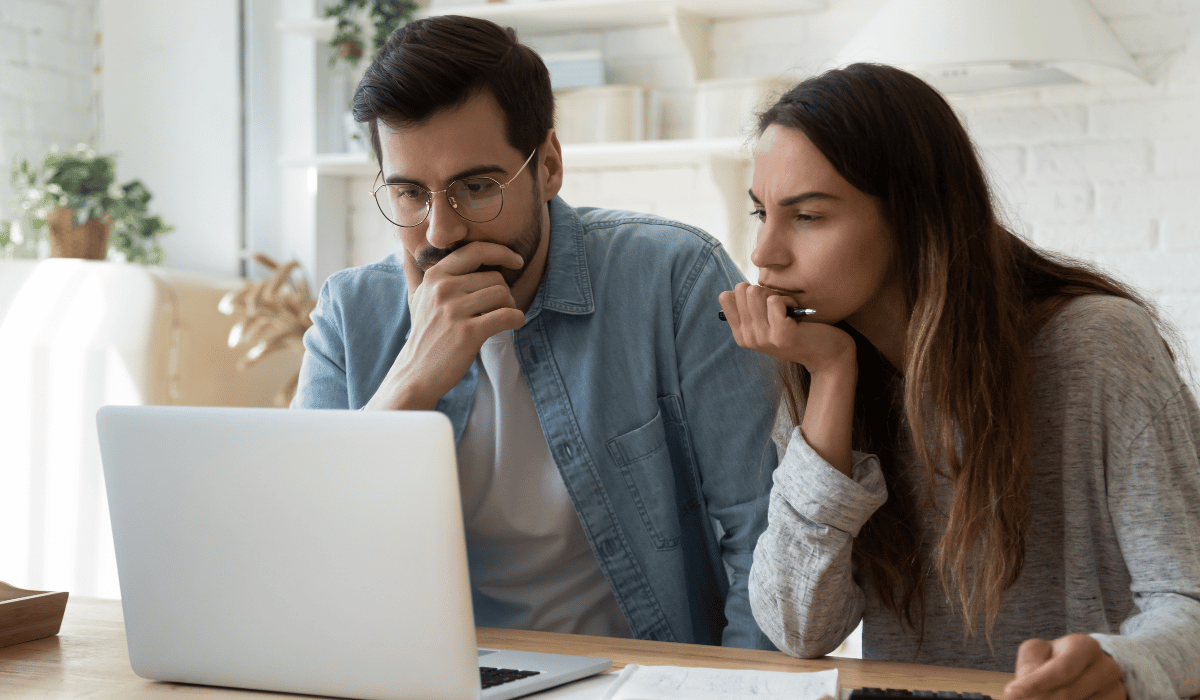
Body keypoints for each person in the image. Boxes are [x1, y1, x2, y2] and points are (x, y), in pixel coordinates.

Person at [291, 14, 780, 649]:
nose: (441, 231)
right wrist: (410, 380)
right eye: (411, 194)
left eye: (476, 186)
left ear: (548, 166)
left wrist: (727, 693)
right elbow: (300, 556)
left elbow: (762, 540)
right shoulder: (349, 316)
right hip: (430, 680)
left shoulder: (673, 279)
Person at [718, 63, 1200, 699]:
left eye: (807, 216)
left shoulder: (1097, 345)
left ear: (914, 214)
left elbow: (1188, 596)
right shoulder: (823, 362)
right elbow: (799, 627)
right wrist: (831, 377)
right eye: (760, 213)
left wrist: (1121, 666)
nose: (765, 253)